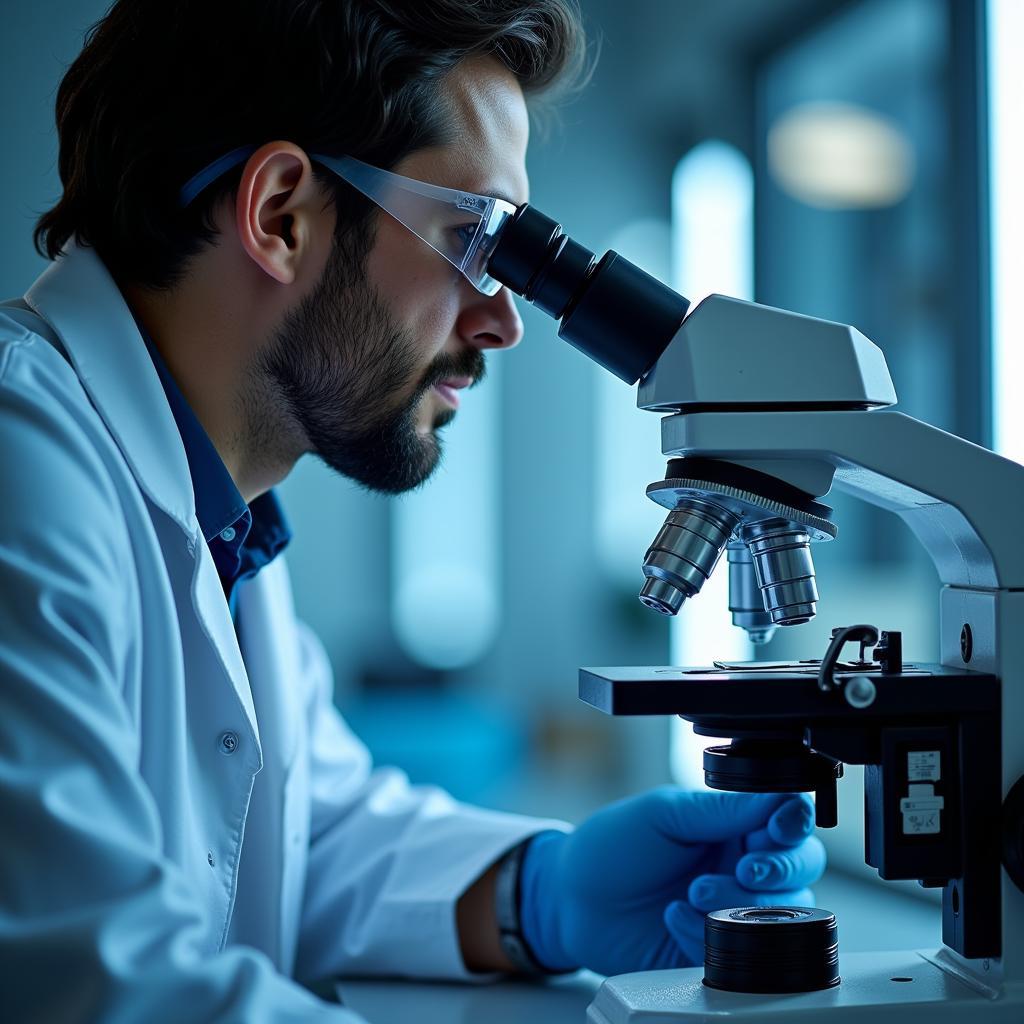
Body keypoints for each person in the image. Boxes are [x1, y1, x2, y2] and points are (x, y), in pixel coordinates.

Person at [0, 2, 826, 1020]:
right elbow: (91, 975)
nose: (504, 318)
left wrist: (544, 891)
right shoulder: (20, 464)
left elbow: (306, 836)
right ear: (281, 215)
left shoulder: (220, 517)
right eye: (477, 238)